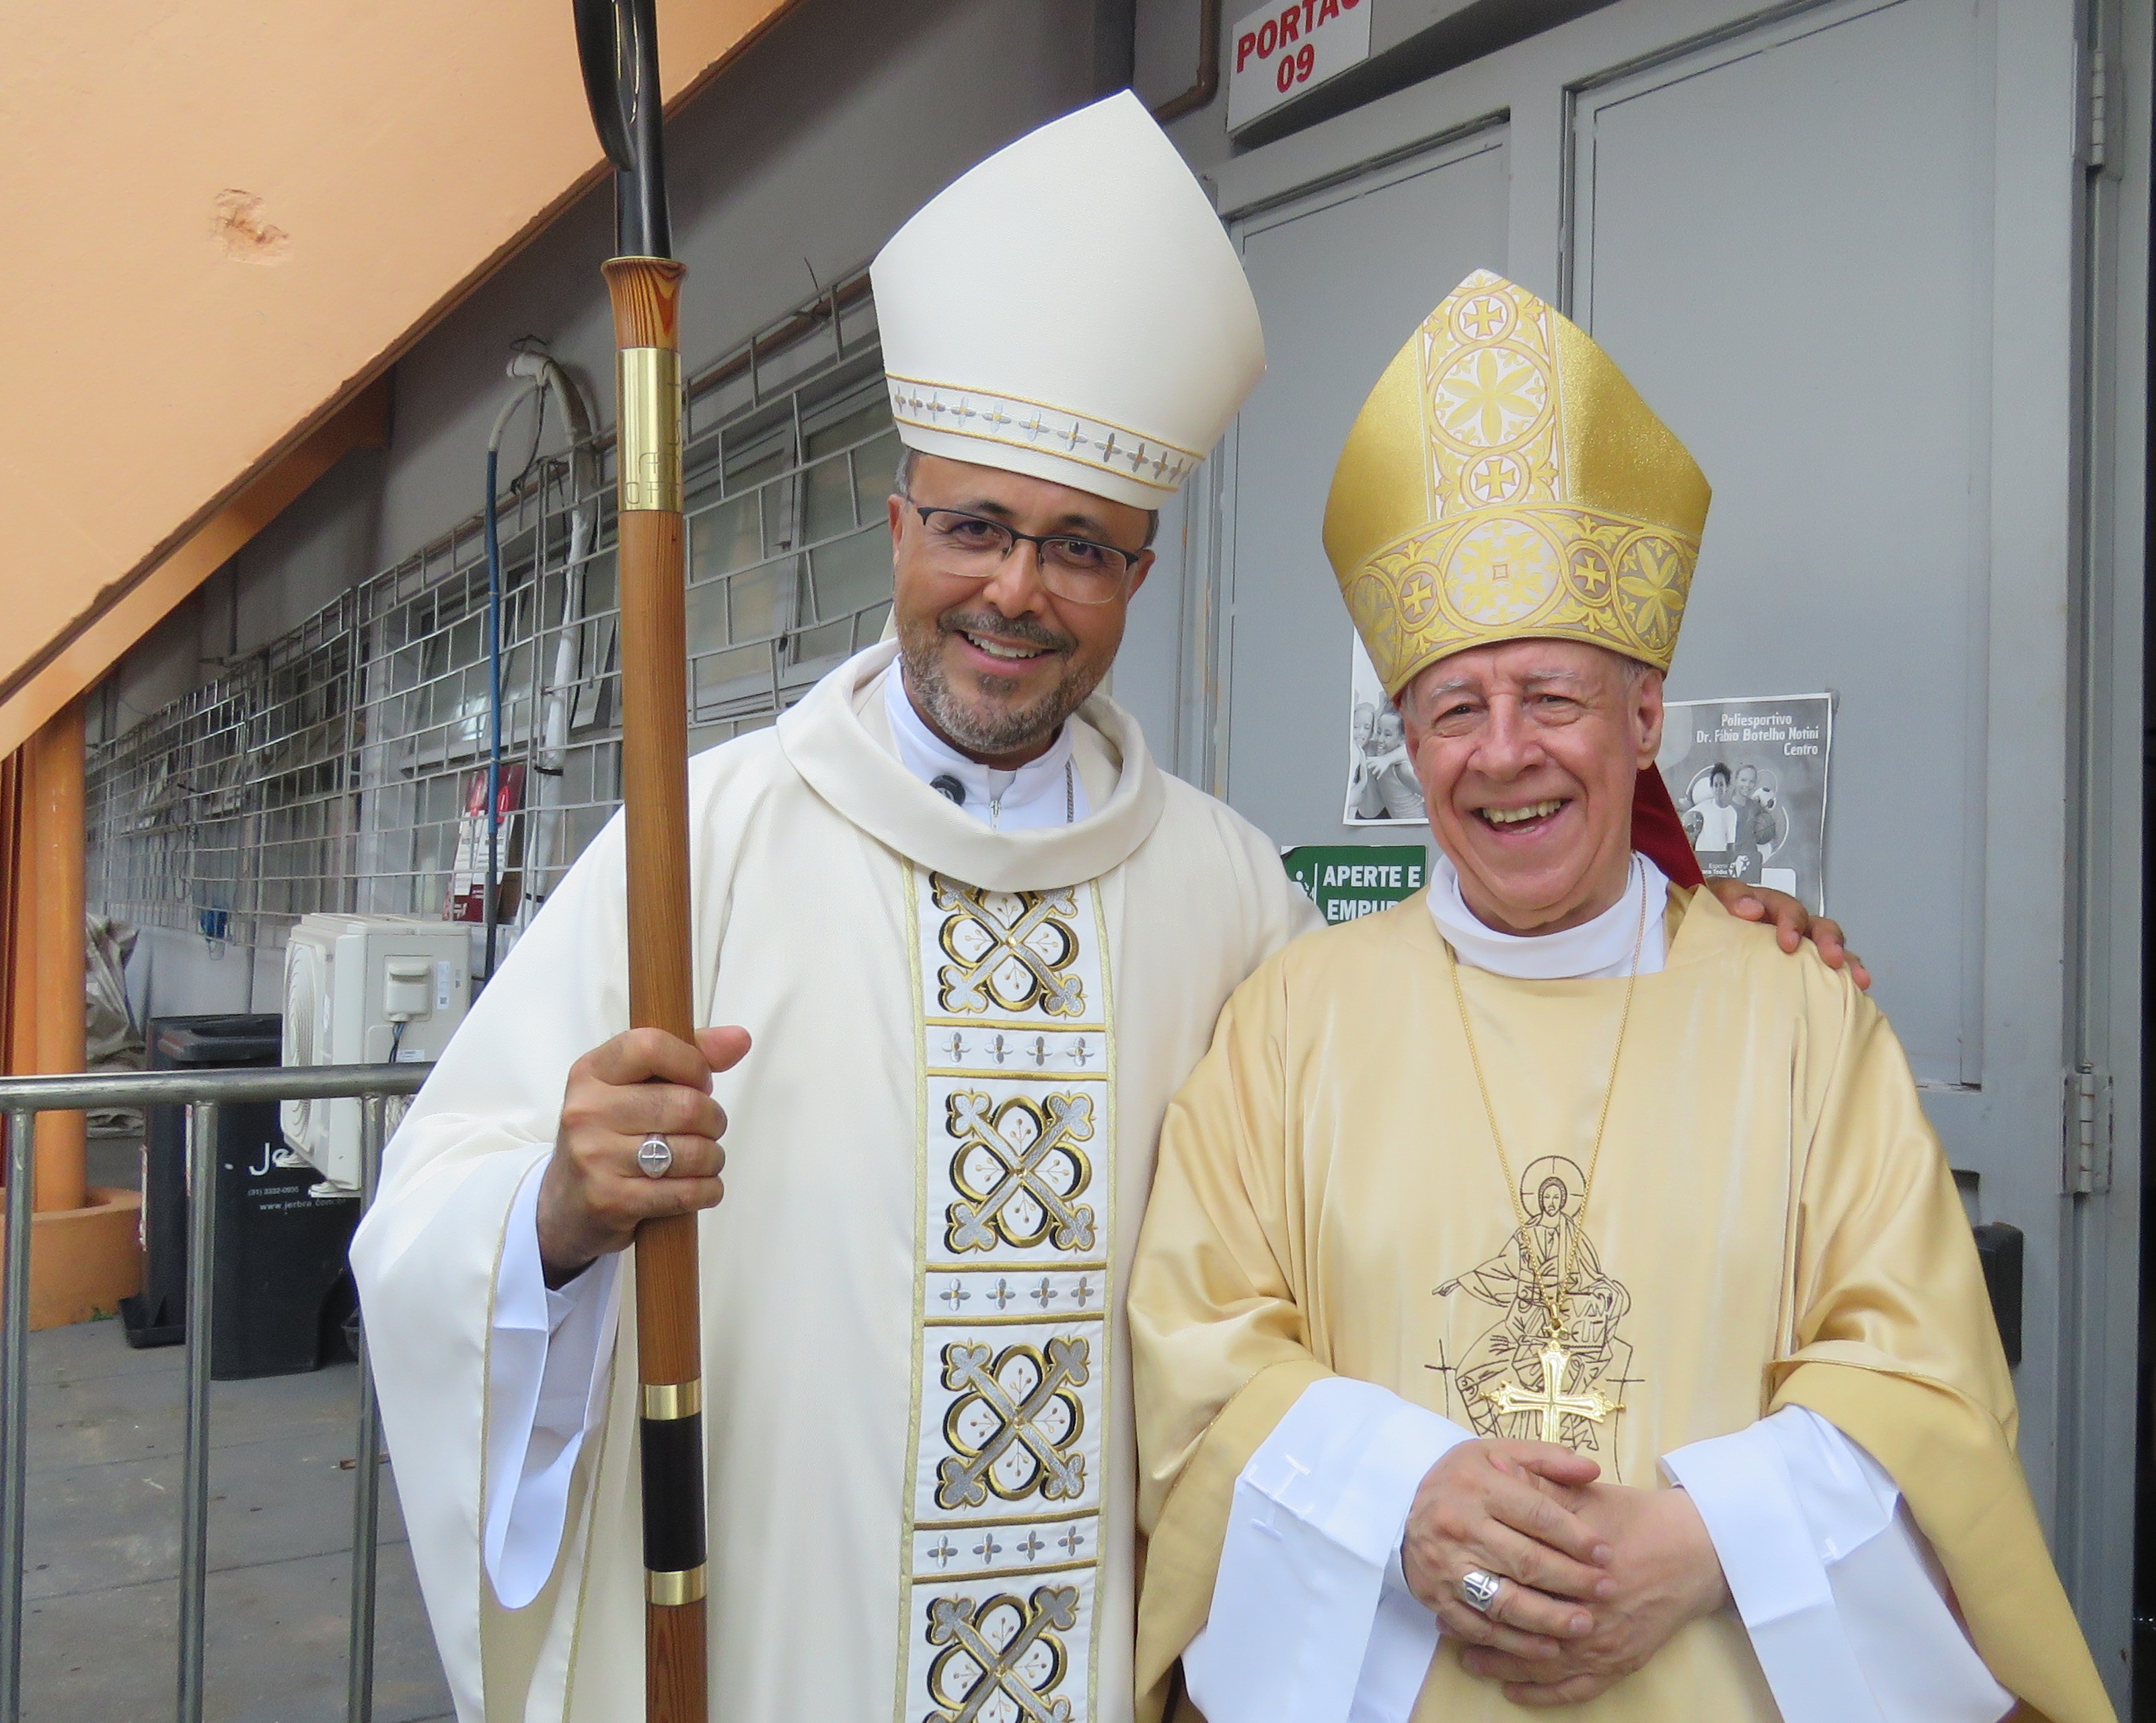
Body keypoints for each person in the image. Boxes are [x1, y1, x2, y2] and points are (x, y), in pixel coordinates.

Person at [350, 114, 1853, 1723]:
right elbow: (426, 1229)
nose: (1016, 591)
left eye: (1079, 548)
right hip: (786, 1655)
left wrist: (1678, 926)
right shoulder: (703, 844)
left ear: (1138, 575)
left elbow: (1425, 1146)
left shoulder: (1229, 897)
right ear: (899, 529)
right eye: (976, 527)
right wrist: (561, 1219)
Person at [1127, 270, 2110, 1723]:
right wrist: (1405, 1498)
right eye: (1455, 707)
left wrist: (1704, 1542)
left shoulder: (1799, 1014)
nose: (1503, 752)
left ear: (1646, 717)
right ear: (1407, 737)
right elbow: (1197, 1354)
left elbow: (1921, 1373)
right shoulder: (1292, 1019)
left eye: (1554, 698)